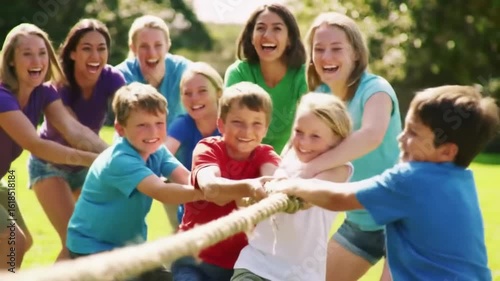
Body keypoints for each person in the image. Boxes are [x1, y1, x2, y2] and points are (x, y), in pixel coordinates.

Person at [274, 85, 498, 280]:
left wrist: (291, 185)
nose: (400, 138)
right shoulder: (462, 181)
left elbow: (337, 197)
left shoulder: (412, 179)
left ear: (447, 151)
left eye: (413, 133)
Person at [66, 82, 204, 280]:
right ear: (120, 129)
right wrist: (207, 193)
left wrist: (221, 187)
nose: (153, 132)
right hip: (92, 248)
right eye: (142, 125)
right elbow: (161, 192)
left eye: (159, 123)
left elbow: (186, 177)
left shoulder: (157, 150)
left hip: (129, 247)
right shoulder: (120, 159)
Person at [301, 12, 402, 280]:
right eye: (319, 49)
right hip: (360, 222)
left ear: (356, 53)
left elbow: (371, 135)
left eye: (336, 49)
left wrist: (311, 169)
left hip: (405, 223)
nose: (326, 57)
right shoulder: (320, 96)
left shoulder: (376, 89)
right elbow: (300, 142)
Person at [0, 23, 103, 272]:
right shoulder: (3, 97)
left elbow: (73, 130)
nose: (37, 60)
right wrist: (92, 160)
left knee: (20, 242)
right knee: (11, 240)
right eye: (27, 53)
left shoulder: (44, 92)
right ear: (11, 60)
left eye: (42, 52)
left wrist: (114, 154)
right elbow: (34, 143)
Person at [28, 18, 126, 262]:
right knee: (75, 241)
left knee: (92, 240)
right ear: (72, 53)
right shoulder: (56, 85)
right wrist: (121, 160)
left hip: (85, 168)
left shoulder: (112, 78)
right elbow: (76, 134)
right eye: (86, 48)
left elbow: (133, 113)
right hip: (50, 166)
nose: (95, 55)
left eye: (101, 48)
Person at [232, 93, 354, 281]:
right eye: (299, 132)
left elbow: (311, 191)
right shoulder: (290, 153)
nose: (304, 143)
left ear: (337, 140)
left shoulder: (340, 170)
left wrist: (282, 187)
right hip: (256, 264)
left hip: (301, 275)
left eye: (315, 136)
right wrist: (260, 191)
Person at [171, 82, 281, 281]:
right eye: (238, 122)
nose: (247, 131)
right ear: (221, 125)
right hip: (195, 261)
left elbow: (273, 181)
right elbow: (211, 188)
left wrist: (270, 186)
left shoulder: (266, 155)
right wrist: (250, 187)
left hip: (241, 266)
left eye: (256, 123)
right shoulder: (208, 148)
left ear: (265, 128)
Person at [115, 15, 192, 231]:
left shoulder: (184, 70)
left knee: (183, 225)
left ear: (168, 45)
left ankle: (185, 262)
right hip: (137, 157)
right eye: (144, 46)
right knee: (125, 226)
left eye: (158, 45)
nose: (152, 53)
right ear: (132, 47)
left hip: (179, 156)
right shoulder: (123, 74)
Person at [224, 3, 307, 154]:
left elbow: (311, 126)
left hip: (292, 160)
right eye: (261, 28)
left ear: (289, 39)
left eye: (277, 28)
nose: (267, 35)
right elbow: (233, 129)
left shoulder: (303, 75)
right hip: (244, 158)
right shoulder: (238, 73)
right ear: (251, 37)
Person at [165, 62, 222, 225]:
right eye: (187, 93)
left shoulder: (231, 123)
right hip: (192, 214)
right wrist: (194, 183)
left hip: (228, 210)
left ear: (218, 92)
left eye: (202, 91)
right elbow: (163, 155)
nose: (194, 98)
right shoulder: (183, 124)